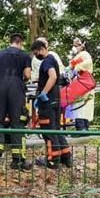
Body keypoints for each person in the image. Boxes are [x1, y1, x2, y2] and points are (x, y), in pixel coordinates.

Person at [0, 33, 32, 169]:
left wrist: (1, 80)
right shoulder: (25, 56)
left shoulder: (0, 54)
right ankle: (18, 160)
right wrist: (21, 80)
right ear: (20, 42)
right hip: (16, 89)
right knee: (17, 122)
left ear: (11, 41)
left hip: (0, 87)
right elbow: (27, 75)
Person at [31, 39, 72, 168]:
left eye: (36, 52)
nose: (35, 55)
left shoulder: (47, 61)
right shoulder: (53, 60)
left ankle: (52, 160)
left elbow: (53, 76)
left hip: (47, 102)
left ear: (42, 49)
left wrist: (43, 93)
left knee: (48, 130)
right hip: (55, 100)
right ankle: (66, 157)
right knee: (56, 130)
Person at [67, 38, 95, 131]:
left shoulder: (84, 54)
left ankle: (81, 128)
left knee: (81, 107)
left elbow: (87, 63)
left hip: (83, 82)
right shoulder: (78, 56)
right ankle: (83, 128)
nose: (74, 47)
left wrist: (77, 68)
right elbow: (70, 66)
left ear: (82, 45)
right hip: (80, 82)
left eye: (76, 45)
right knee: (80, 107)